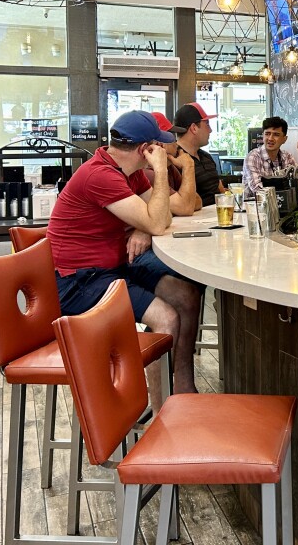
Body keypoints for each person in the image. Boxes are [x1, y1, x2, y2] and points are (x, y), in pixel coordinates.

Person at [46, 110, 202, 393]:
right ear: (146, 149)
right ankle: (162, 415)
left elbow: (168, 213)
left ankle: (183, 389)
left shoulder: (129, 173)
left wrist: (147, 222)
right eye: (159, 145)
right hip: (78, 281)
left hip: (113, 269)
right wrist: (163, 173)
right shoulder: (100, 175)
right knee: (166, 317)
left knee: (186, 295)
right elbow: (157, 221)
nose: (165, 150)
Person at [242, 116, 298, 198]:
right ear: (263, 136)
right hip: (255, 208)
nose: (270, 138)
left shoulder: (287, 157)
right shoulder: (253, 157)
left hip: (282, 207)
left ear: (284, 139)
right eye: (267, 134)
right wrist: (292, 187)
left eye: (276, 135)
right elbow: (258, 190)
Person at [172, 103, 227, 208]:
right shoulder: (175, 160)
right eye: (207, 124)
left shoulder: (206, 157)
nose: (210, 130)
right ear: (194, 128)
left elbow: (220, 190)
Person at [147, 111, 198, 216]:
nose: (177, 144)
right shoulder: (147, 173)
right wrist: (188, 167)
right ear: (160, 144)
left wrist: (185, 201)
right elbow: (186, 208)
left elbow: (196, 201)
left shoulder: (169, 167)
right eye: (172, 139)